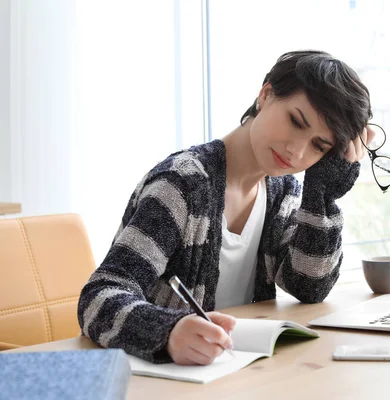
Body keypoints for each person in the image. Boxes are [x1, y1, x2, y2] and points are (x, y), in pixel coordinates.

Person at [77, 50, 374, 366]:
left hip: (234, 373)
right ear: (266, 94)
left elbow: (309, 286)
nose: (296, 151)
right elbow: (99, 298)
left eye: (319, 146)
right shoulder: (183, 183)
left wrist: (322, 195)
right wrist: (168, 332)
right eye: (296, 121)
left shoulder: (281, 191)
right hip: (161, 379)